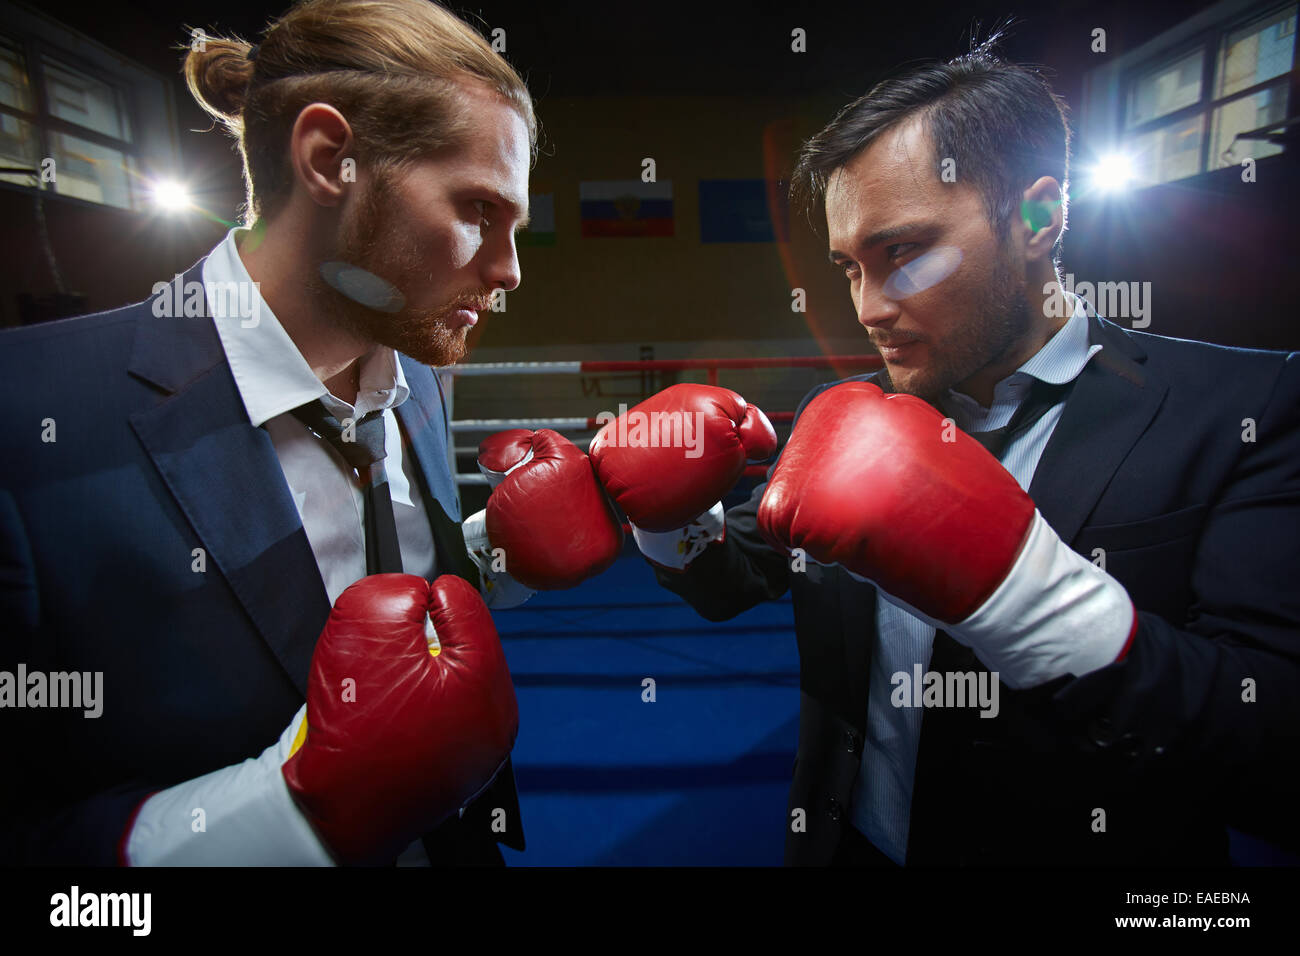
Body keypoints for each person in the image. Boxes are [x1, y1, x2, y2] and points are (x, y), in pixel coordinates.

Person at [597, 35, 1300, 865]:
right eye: (847, 267)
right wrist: (671, 511)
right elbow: (736, 575)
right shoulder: (846, 412)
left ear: (1039, 218)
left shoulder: (1244, 408)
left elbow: (1273, 753)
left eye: (901, 253)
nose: (867, 307)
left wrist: (1027, 598)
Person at [0, 0, 622, 866]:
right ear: (331, 158)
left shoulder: (419, 371)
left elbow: (373, 573)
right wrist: (289, 812)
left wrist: (492, 552)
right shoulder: (21, 416)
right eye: (480, 210)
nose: (510, 268)